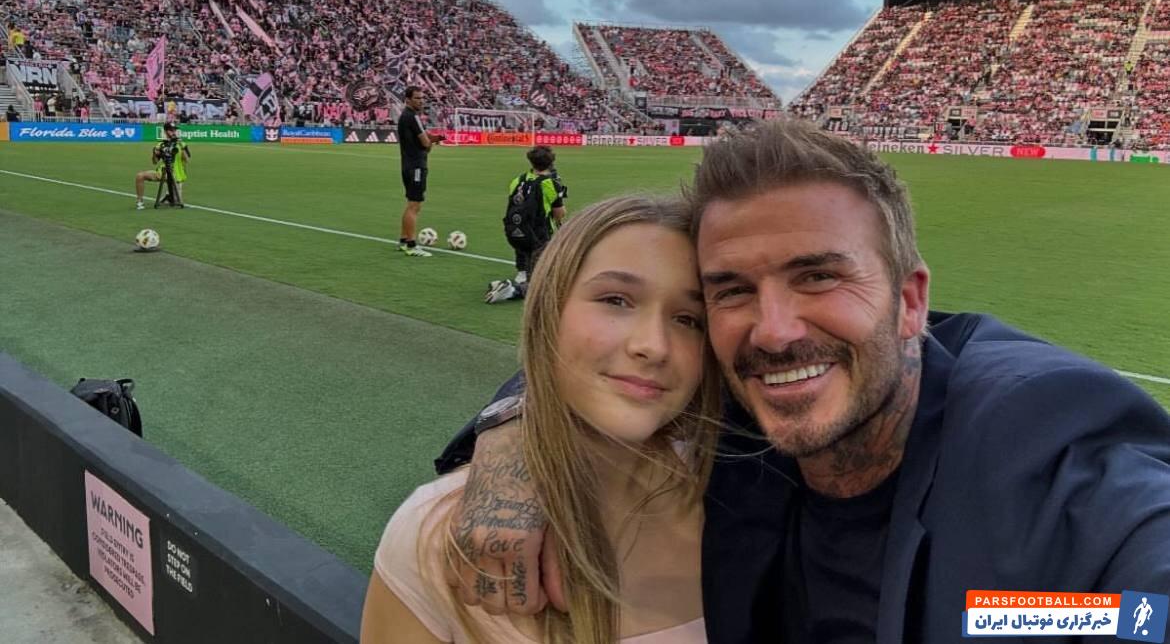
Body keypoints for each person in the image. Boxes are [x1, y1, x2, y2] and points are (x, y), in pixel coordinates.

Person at [437, 119, 1170, 643]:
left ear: (910, 302)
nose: (775, 330)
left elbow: (1143, 594)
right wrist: (517, 435)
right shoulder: (740, 406)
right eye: (731, 290)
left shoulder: (1040, 448)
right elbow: (594, 362)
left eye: (818, 276)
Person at [362, 196, 720, 643]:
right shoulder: (434, 539)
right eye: (615, 300)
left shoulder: (746, 496)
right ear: (548, 312)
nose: (653, 345)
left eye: (689, 319)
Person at [485, 146, 568, 304]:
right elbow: (559, 212)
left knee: (528, 255)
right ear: (551, 162)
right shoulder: (550, 183)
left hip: (516, 233)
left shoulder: (518, 180)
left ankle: (521, 274)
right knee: (545, 286)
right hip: (539, 236)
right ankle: (512, 290)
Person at [397, 86, 444, 258]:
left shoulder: (406, 116)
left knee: (411, 203)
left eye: (422, 98)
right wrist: (432, 142)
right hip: (416, 166)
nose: (421, 101)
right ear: (408, 99)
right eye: (417, 98)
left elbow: (423, 137)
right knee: (414, 205)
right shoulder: (412, 116)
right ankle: (411, 245)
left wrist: (433, 138)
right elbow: (425, 143)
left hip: (408, 165)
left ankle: (403, 241)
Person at [134, 121, 190, 210]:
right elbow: (155, 162)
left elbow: (186, 160)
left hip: (177, 175)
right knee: (140, 176)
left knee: (176, 202)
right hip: (164, 172)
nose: (174, 132)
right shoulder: (161, 144)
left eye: (174, 130)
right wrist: (154, 153)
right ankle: (139, 201)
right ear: (166, 131)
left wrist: (180, 146)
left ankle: (168, 196)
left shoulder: (182, 144)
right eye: (171, 130)